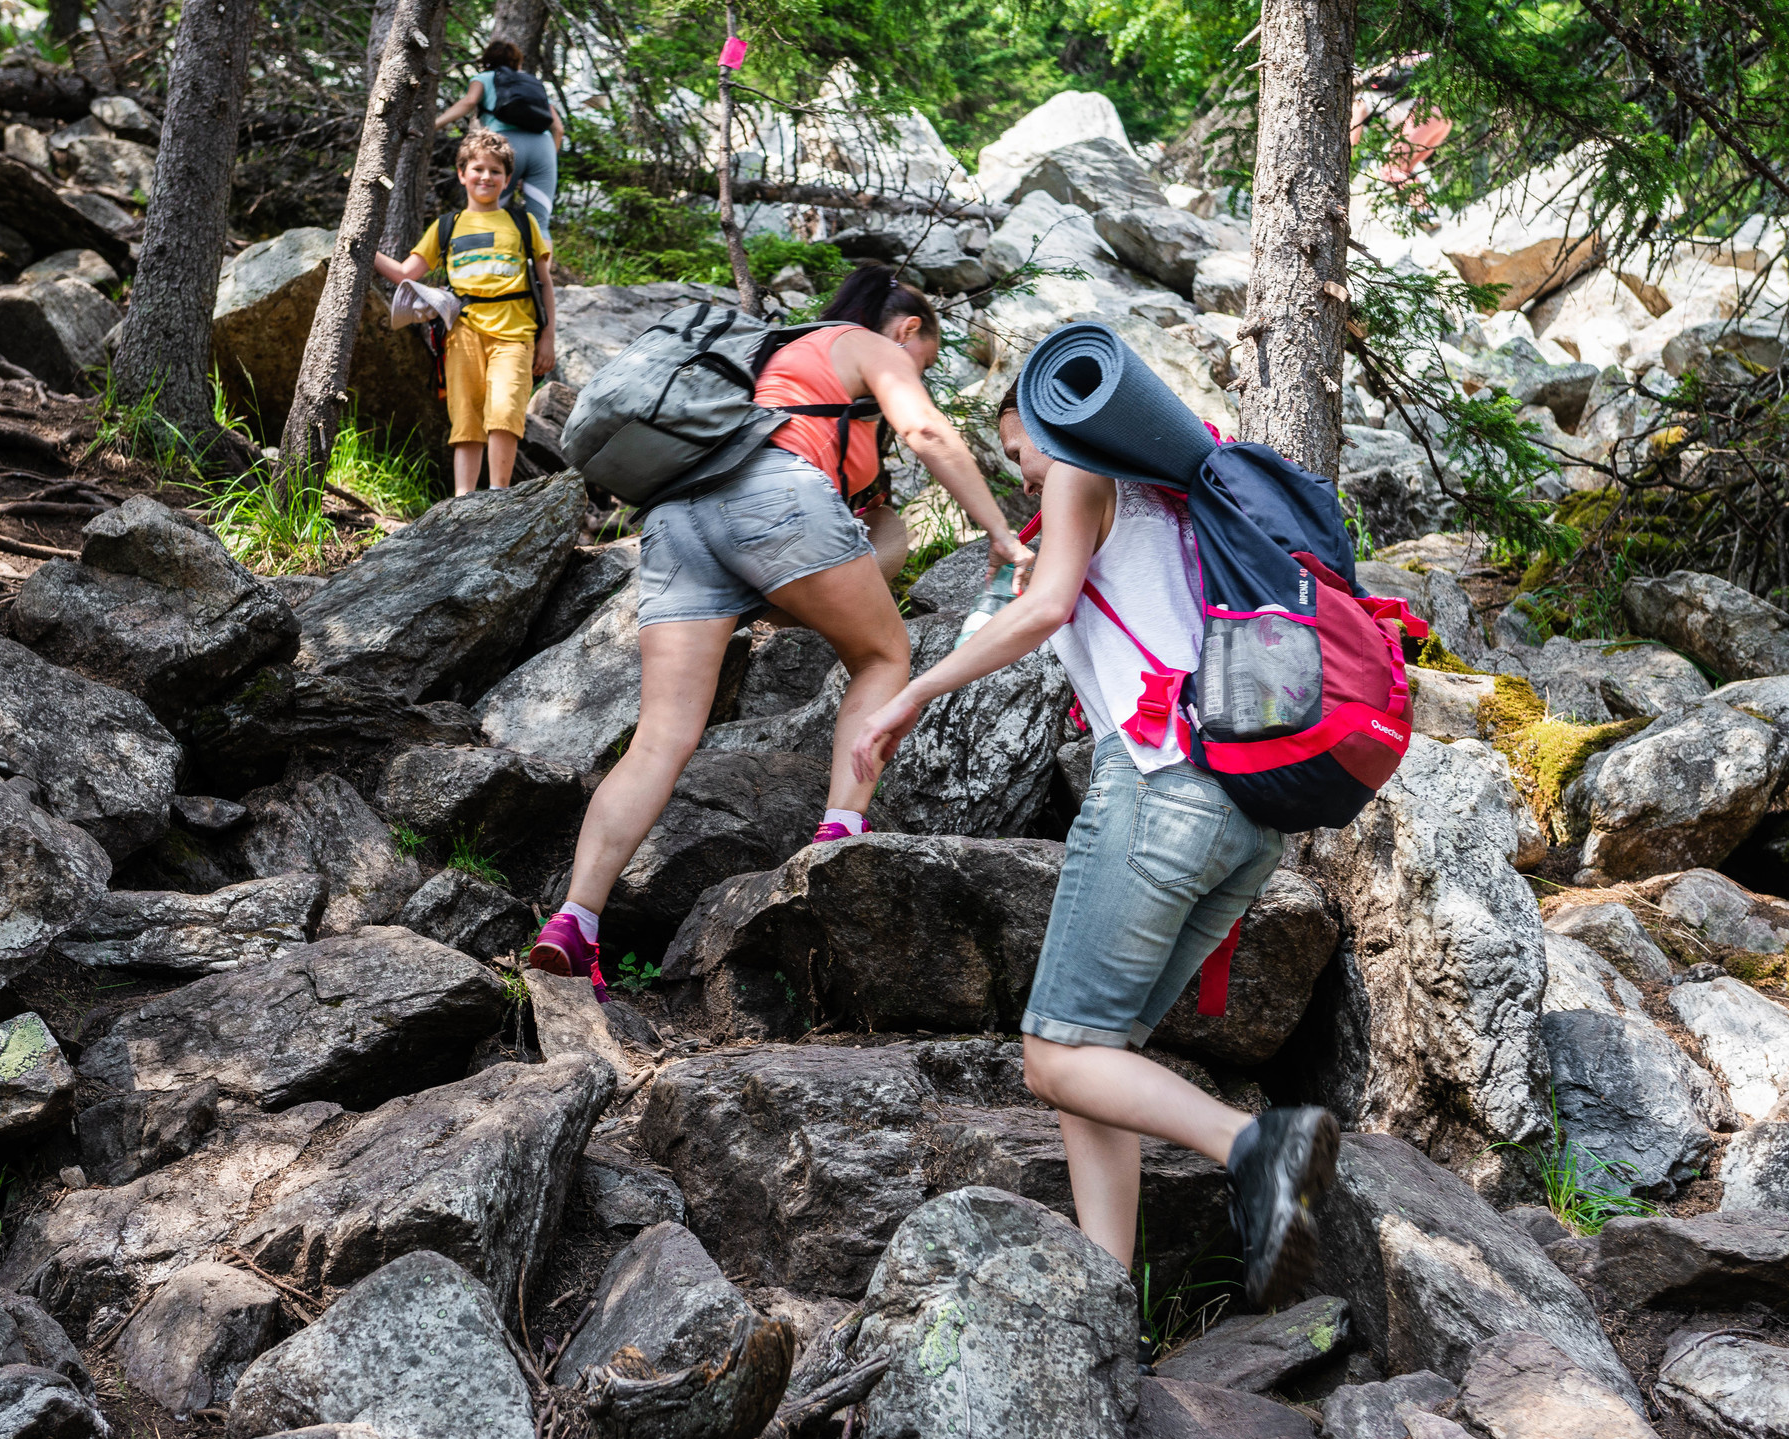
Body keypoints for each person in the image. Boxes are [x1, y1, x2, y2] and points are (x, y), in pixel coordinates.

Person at [849, 390, 1342, 1317]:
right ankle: (1105, 1299)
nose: (1023, 470)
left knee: (1052, 1056)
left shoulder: (1085, 465)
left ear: (1058, 420)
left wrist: (908, 695)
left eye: (1017, 448)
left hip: (1158, 784)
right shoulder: (1180, 497)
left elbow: (1043, 611)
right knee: (1096, 1055)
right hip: (1244, 812)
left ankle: (1255, 1143)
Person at [528, 267, 1031, 990]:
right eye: (925, 356)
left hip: (677, 514)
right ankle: (839, 839)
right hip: (771, 495)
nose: (916, 372)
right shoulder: (867, 344)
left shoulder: (779, 362)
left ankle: (575, 921)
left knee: (662, 736)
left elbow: (878, 528)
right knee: (885, 657)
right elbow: (924, 428)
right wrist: (1000, 532)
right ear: (910, 330)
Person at [374, 129, 555, 498]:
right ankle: (463, 500)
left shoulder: (523, 224)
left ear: (508, 179)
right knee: (466, 417)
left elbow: (545, 283)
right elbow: (406, 274)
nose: (486, 177)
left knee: (505, 410)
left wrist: (547, 338)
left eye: (495, 171)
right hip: (463, 333)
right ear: (462, 174)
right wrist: (358, 243)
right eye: (477, 169)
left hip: (516, 334)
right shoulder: (447, 226)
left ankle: (499, 495)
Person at [434, 39, 565, 224]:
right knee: (539, 223)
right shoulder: (532, 84)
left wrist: (434, 124)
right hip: (543, 147)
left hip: (505, 146)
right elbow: (558, 129)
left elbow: (469, 102)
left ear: (488, 60)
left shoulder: (484, 78)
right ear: (518, 61)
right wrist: (548, 159)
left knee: (487, 214)